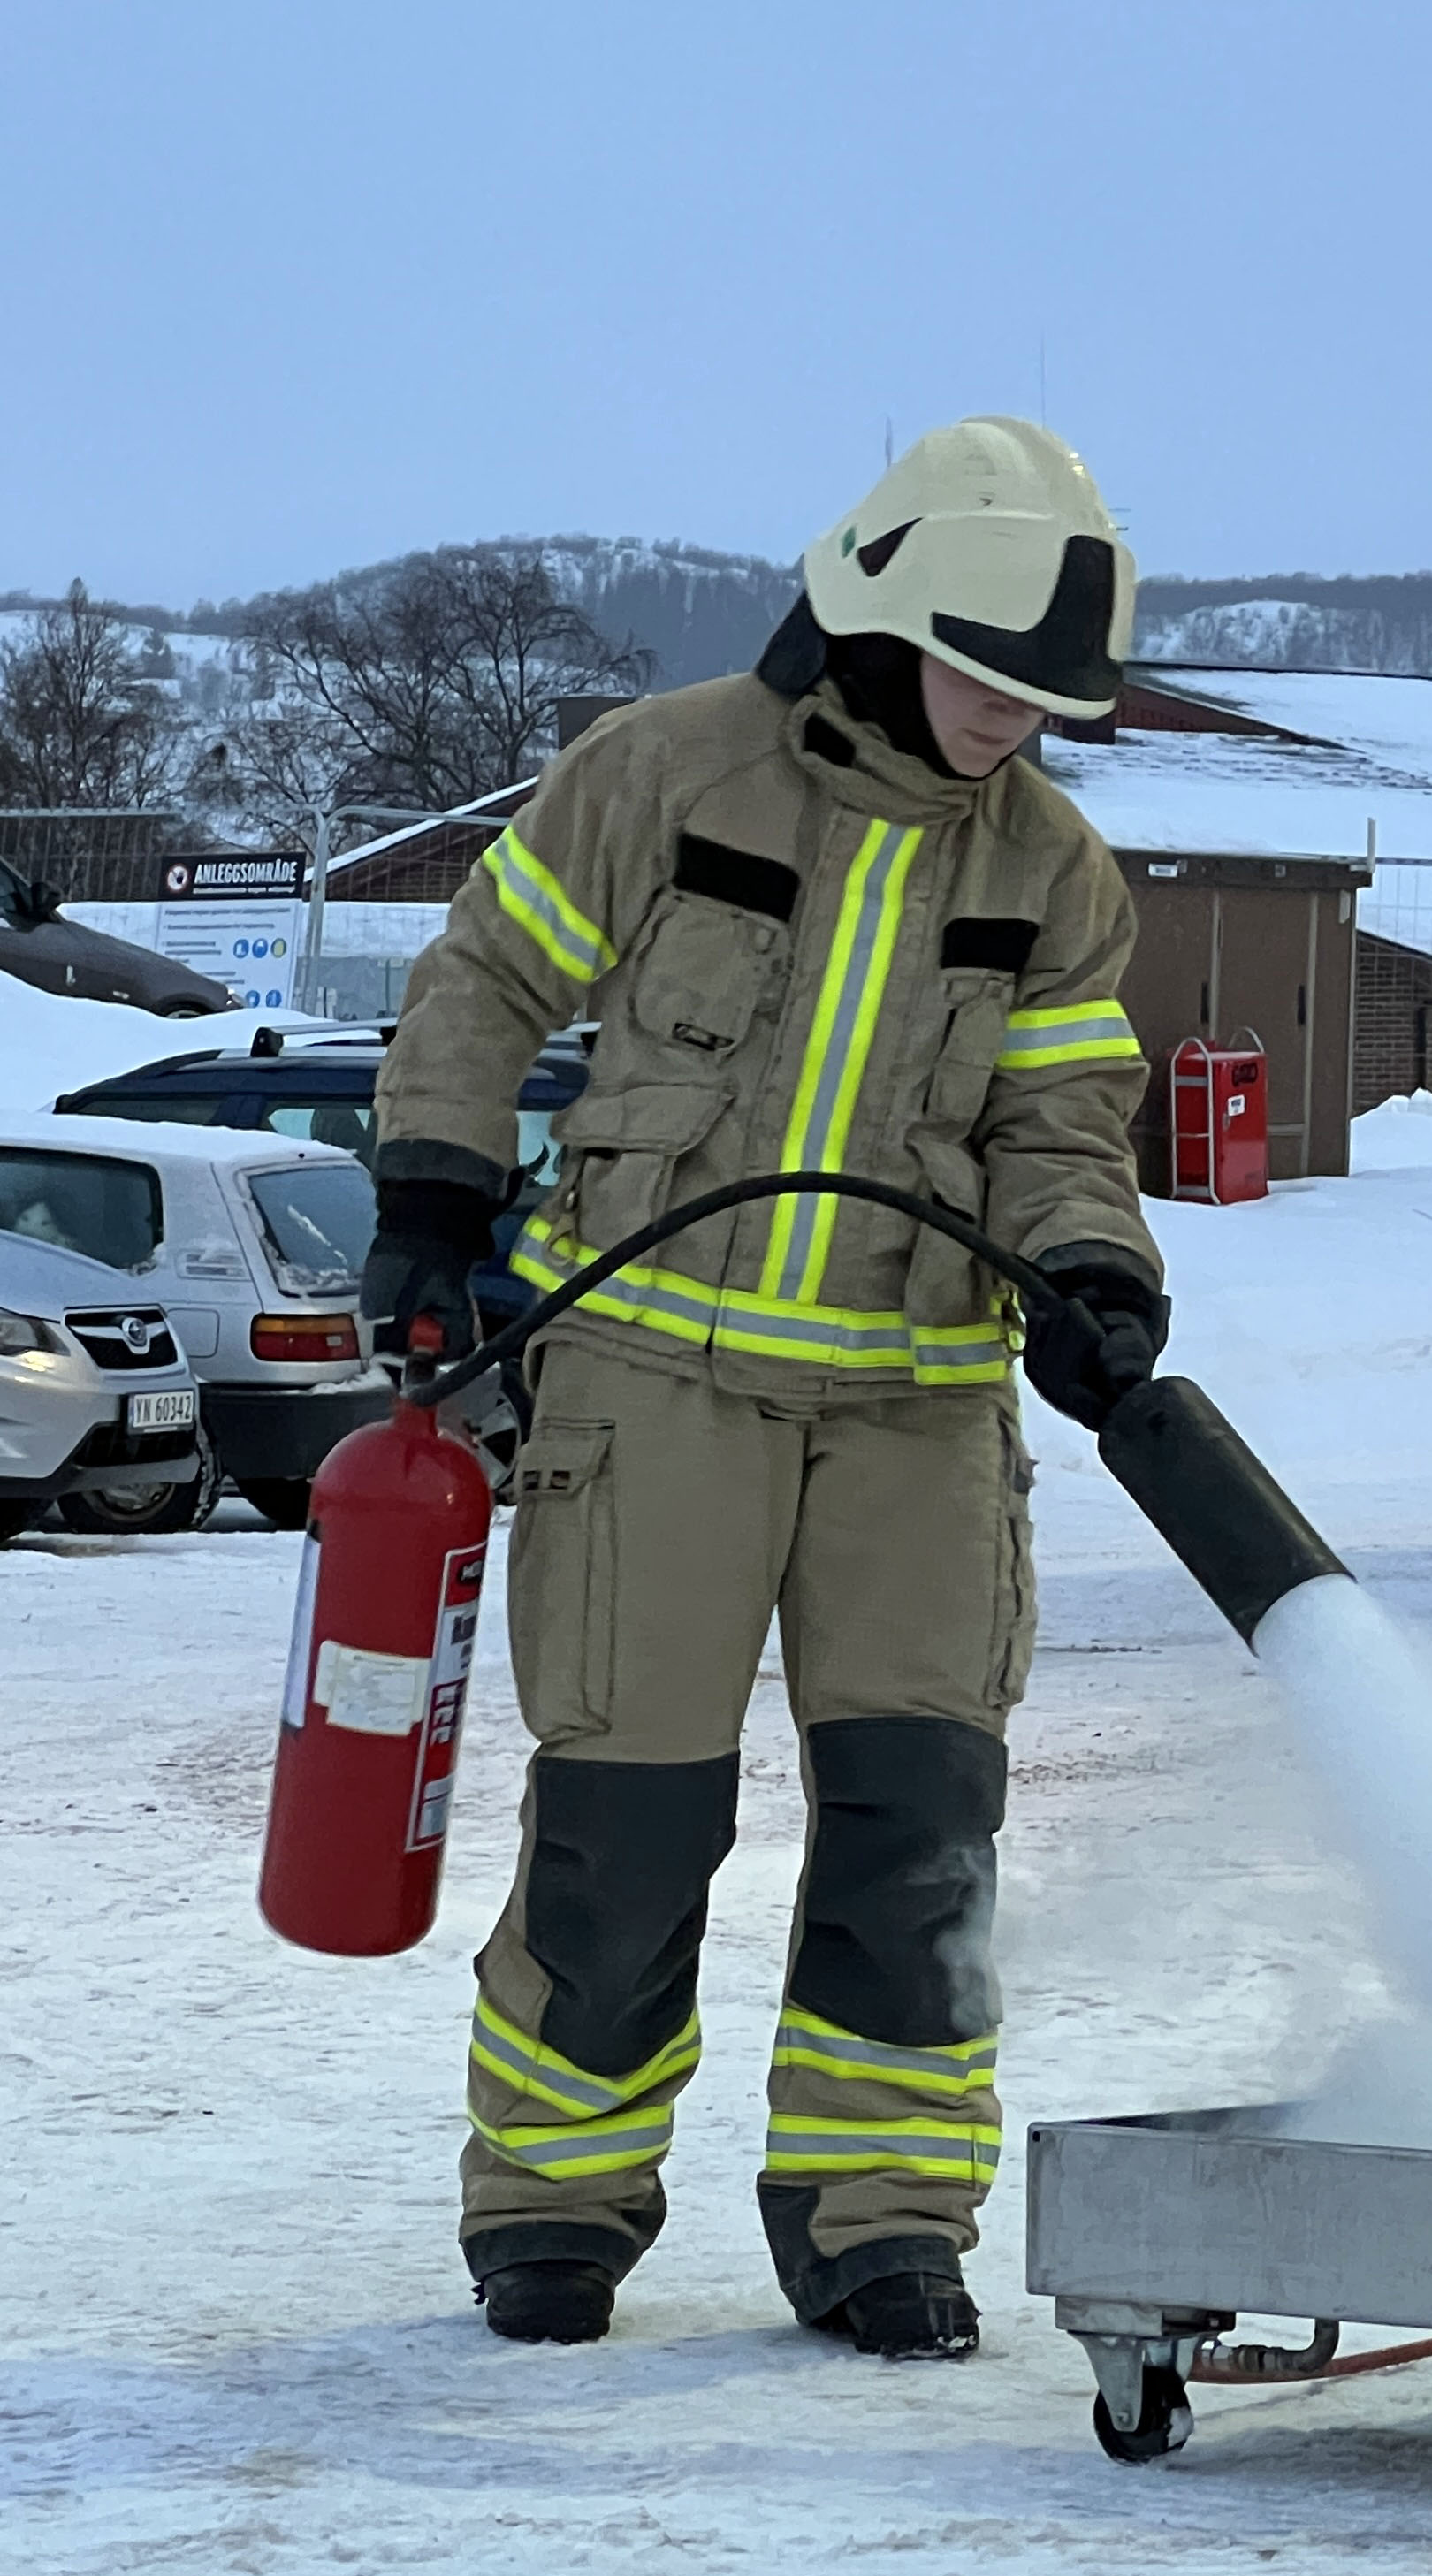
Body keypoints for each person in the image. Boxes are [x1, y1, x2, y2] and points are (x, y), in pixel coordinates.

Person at [364, 417, 1171, 2359]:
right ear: (889, 615)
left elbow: (1066, 1113)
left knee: (920, 1828)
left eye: (1051, 695)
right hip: (649, 1386)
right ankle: (553, 2206)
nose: (1013, 723)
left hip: (917, 1407)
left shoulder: (1055, 865)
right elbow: (484, 987)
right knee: (627, 1824)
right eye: (992, 679)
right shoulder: (668, 771)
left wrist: (1089, 1271)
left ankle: (881, 2219)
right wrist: (431, 1196)